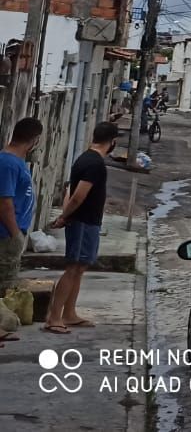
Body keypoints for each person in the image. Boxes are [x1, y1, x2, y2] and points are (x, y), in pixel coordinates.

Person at [44, 121, 119, 334]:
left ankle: (69, 313)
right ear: (112, 142)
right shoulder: (94, 164)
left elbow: (70, 189)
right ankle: (54, 317)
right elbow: (77, 196)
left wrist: (65, 215)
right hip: (83, 222)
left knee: (80, 268)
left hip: (88, 222)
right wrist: (64, 217)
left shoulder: (85, 159)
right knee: (73, 268)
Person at [0, 118, 42, 346]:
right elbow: (4, 203)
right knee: (3, 281)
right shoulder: (7, 163)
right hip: (6, 234)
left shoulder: (15, 162)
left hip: (12, 231)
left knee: (7, 281)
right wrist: (15, 233)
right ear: (34, 141)